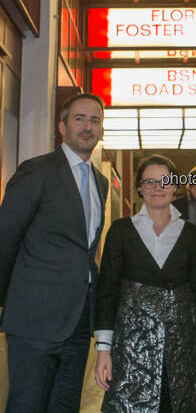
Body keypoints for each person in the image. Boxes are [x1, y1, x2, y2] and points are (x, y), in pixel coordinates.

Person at [0, 92, 108, 413]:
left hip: (77, 324)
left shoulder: (99, 183)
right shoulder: (37, 172)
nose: (88, 127)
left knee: (64, 407)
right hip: (34, 322)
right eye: (79, 118)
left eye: (95, 120)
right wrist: (7, 301)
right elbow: (5, 239)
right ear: (62, 126)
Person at [95, 154, 196, 413]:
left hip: (181, 349)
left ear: (175, 186)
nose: (158, 188)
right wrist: (103, 349)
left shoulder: (192, 234)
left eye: (165, 181)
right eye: (149, 182)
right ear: (139, 188)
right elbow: (107, 292)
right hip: (131, 351)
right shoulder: (120, 231)